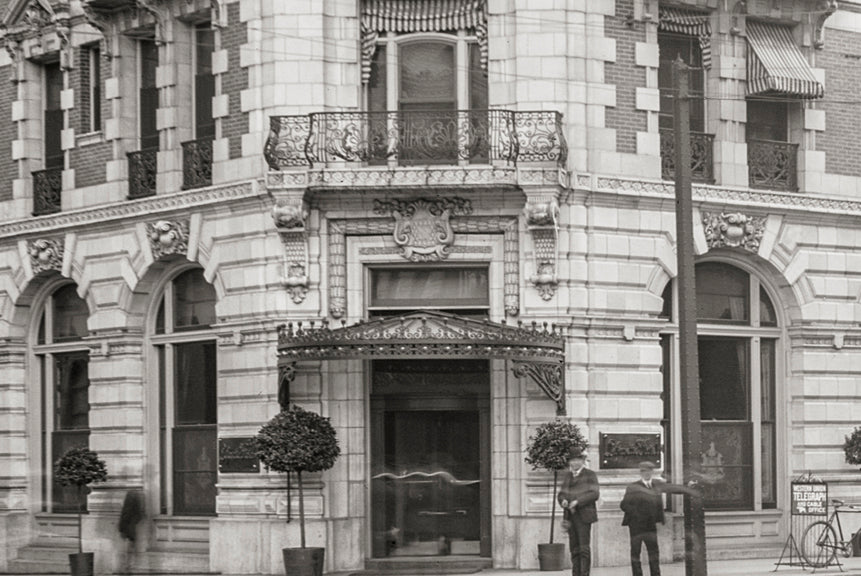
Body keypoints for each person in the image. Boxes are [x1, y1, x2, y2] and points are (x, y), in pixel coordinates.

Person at [557, 451, 600, 576]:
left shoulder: (590, 475)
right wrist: (563, 500)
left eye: (577, 460)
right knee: (574, 548)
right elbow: (561, 493)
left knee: (584, 549)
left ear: (583, 461)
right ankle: (576, 573)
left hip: (584, 516)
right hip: (570, 516)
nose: (574, 463)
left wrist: (577, 501)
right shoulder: (568, 476)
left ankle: (584, 574)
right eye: (572, 460)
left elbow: (594, 494)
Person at [620, 462, 664, 576]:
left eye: (648, 471)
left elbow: (659, 504)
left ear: (652, 472)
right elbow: (624, 505)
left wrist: (660, 520)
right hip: (636, 526)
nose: (646, 473)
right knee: (636, 552)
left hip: (651, 526)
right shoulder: (632, 487)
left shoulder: (656, 486)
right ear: (640, 473)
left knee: (654, 552)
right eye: (643, 471)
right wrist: (637, 514)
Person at [118, 487, 146, 573]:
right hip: (132, 527)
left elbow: (125, 515)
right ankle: (129, 566)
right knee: (131, 547)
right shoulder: (139, 501)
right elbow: (140, 515)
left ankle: (126, 567)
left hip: (128, 528)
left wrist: (121, 527)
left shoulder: (130, 500)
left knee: (126, 549)